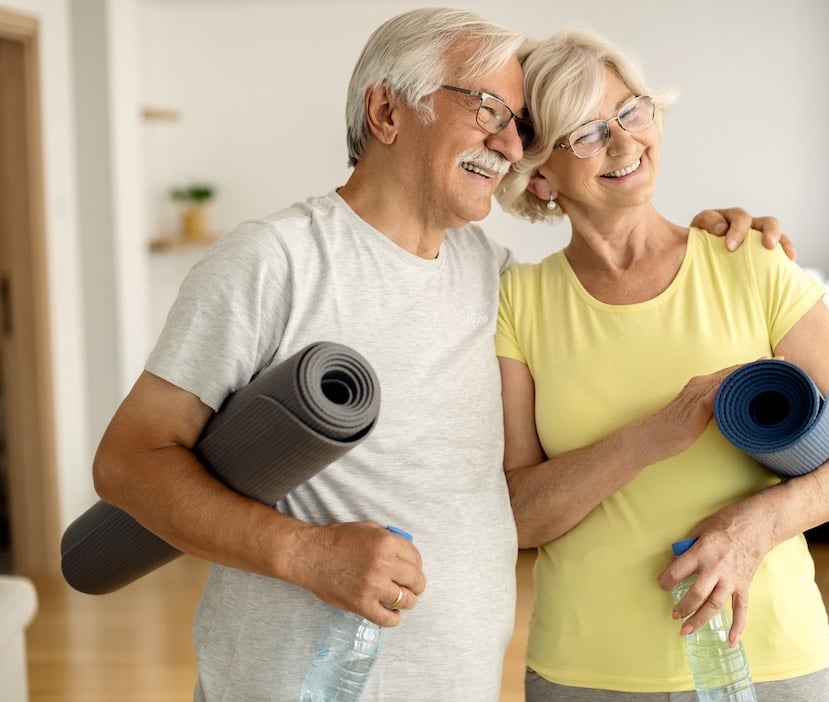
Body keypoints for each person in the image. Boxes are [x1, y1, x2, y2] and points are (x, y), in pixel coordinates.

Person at [91, 8, 786, 701]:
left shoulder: (494, 280)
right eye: (487, 107)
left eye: (517, 123)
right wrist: (304, 554)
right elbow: (129, 462)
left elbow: (617, 285)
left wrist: (710, 237)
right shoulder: (275, 261)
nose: (510, 144)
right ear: (387, 110)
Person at [493, 29, 829, 701]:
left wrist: (756, 527)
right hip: (589, 670)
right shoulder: (519, 302)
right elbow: (519, 515)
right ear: (539, 175)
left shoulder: (750, 261)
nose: (627, 142)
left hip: (771, 657)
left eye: (632, 110)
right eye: (588, 132)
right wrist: (646, 439)